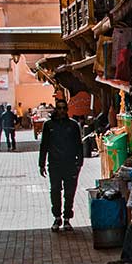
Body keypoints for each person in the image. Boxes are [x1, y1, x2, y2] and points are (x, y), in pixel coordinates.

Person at [38, 98, 84, 232]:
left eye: (64, 108)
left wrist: (79, 162)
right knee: (55, 191)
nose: (62, 111)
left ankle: (67, 218)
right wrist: (41, 164)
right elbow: (44, 145)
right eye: (59, 108)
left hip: (70, 164)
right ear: (56, 109)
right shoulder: (49, 125)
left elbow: (78, 145)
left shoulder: (73, 125)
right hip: (54, 164)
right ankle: (57, 217)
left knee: (70, 192)